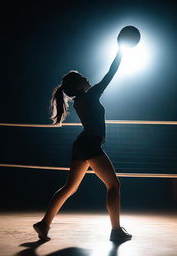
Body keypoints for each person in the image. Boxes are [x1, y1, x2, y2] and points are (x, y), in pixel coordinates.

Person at [33, 47, 132, 242]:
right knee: (114, 185)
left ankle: (44, 223)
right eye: (82, 77)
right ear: (78, 85)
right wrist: (121, 51)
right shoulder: (91, 95)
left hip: (81, 144)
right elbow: (110, 73)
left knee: (69, 187)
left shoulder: (80, 100)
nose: (87, 78)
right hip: (89, 145)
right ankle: (116, 230)